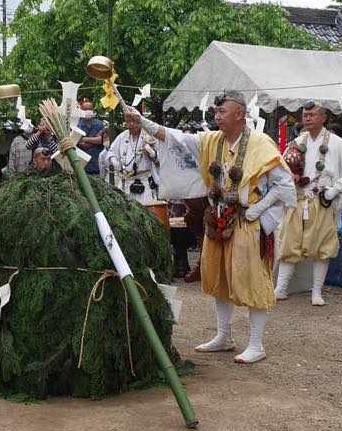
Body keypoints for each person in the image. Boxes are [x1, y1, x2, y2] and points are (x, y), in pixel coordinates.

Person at [124, 91, 295, 365]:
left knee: (251, 279)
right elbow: (176, 138)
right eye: (216, 112)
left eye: (222, 112)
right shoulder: (212, 140)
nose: (217, 116)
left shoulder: (261, 143)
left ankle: (256, 344)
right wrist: (142, 121)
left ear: (239, 113)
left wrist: (258, 209)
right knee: (217, 278)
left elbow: (285, 185)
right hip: (217, 218)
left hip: (246, 220)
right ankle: (224, 336)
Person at [274, 102, 342, 306]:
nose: (307, 118)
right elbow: (283, 169)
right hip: (298, 199)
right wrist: (292, 178)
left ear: (323, 117)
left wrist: (333, 191)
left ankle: (316, 291)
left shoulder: (337, 142)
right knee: (289, 242)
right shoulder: (296, 142)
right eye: (305, 115)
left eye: (312, 114)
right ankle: (281, 288)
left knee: (323, 246)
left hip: (321, 199)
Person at [107, 109, 160, 203]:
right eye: (127, 122)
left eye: (133, 121)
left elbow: (161, 157)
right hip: (125, 181)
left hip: (144, 181)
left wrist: (151, 152)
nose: (131, 124)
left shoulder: (149, 135)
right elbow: (111, 152)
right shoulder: (122, 136)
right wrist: (115, 163)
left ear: (139, 121)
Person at [75, 100, 107, 175]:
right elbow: (82, 145)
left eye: (89, 109)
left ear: (93, 110)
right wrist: (96, 139)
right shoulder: (78, 126)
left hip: (98, 164)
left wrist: (83, 138)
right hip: (83, 165)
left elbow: (101, 140)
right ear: (81, 111)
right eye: (85, 110)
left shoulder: (99, 124)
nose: (87, 111)